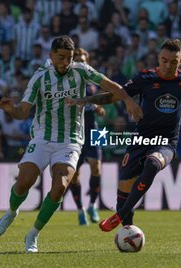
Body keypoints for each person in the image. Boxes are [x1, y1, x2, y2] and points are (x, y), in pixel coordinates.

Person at [67, 39, 181, 232]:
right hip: (139, 140)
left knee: (152, 164)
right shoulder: (145, 78)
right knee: (123, 194)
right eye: (164, 60)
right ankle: (127, 228)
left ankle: (119, 215)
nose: (168, 66)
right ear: (159, 58)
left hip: (166, 142)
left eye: (173, 62)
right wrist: (83, 100)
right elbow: (113, 96)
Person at [0, 35, 142, 253]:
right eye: (61, 57)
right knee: (25, 181)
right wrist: (11, 110)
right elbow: (23, 111)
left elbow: (111, 85)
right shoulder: (39, 78)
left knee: (60, 187)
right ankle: (12, 211)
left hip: (70, 140)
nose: (66, 62)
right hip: (42, 137)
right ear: (51, 56)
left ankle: (32, 235)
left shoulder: (81, 70)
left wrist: (128, 100)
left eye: (69, 57)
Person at [68, 47, 105, 225]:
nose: (81, 62)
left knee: (97, 168)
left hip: (95, 129)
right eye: (78, 59)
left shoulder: (93, 81)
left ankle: (92, 205)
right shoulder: (68, 81)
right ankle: (80, 210)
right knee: (74, 176)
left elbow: (96, 102)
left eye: (83, 59)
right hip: (75, 131)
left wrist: (98, 108)